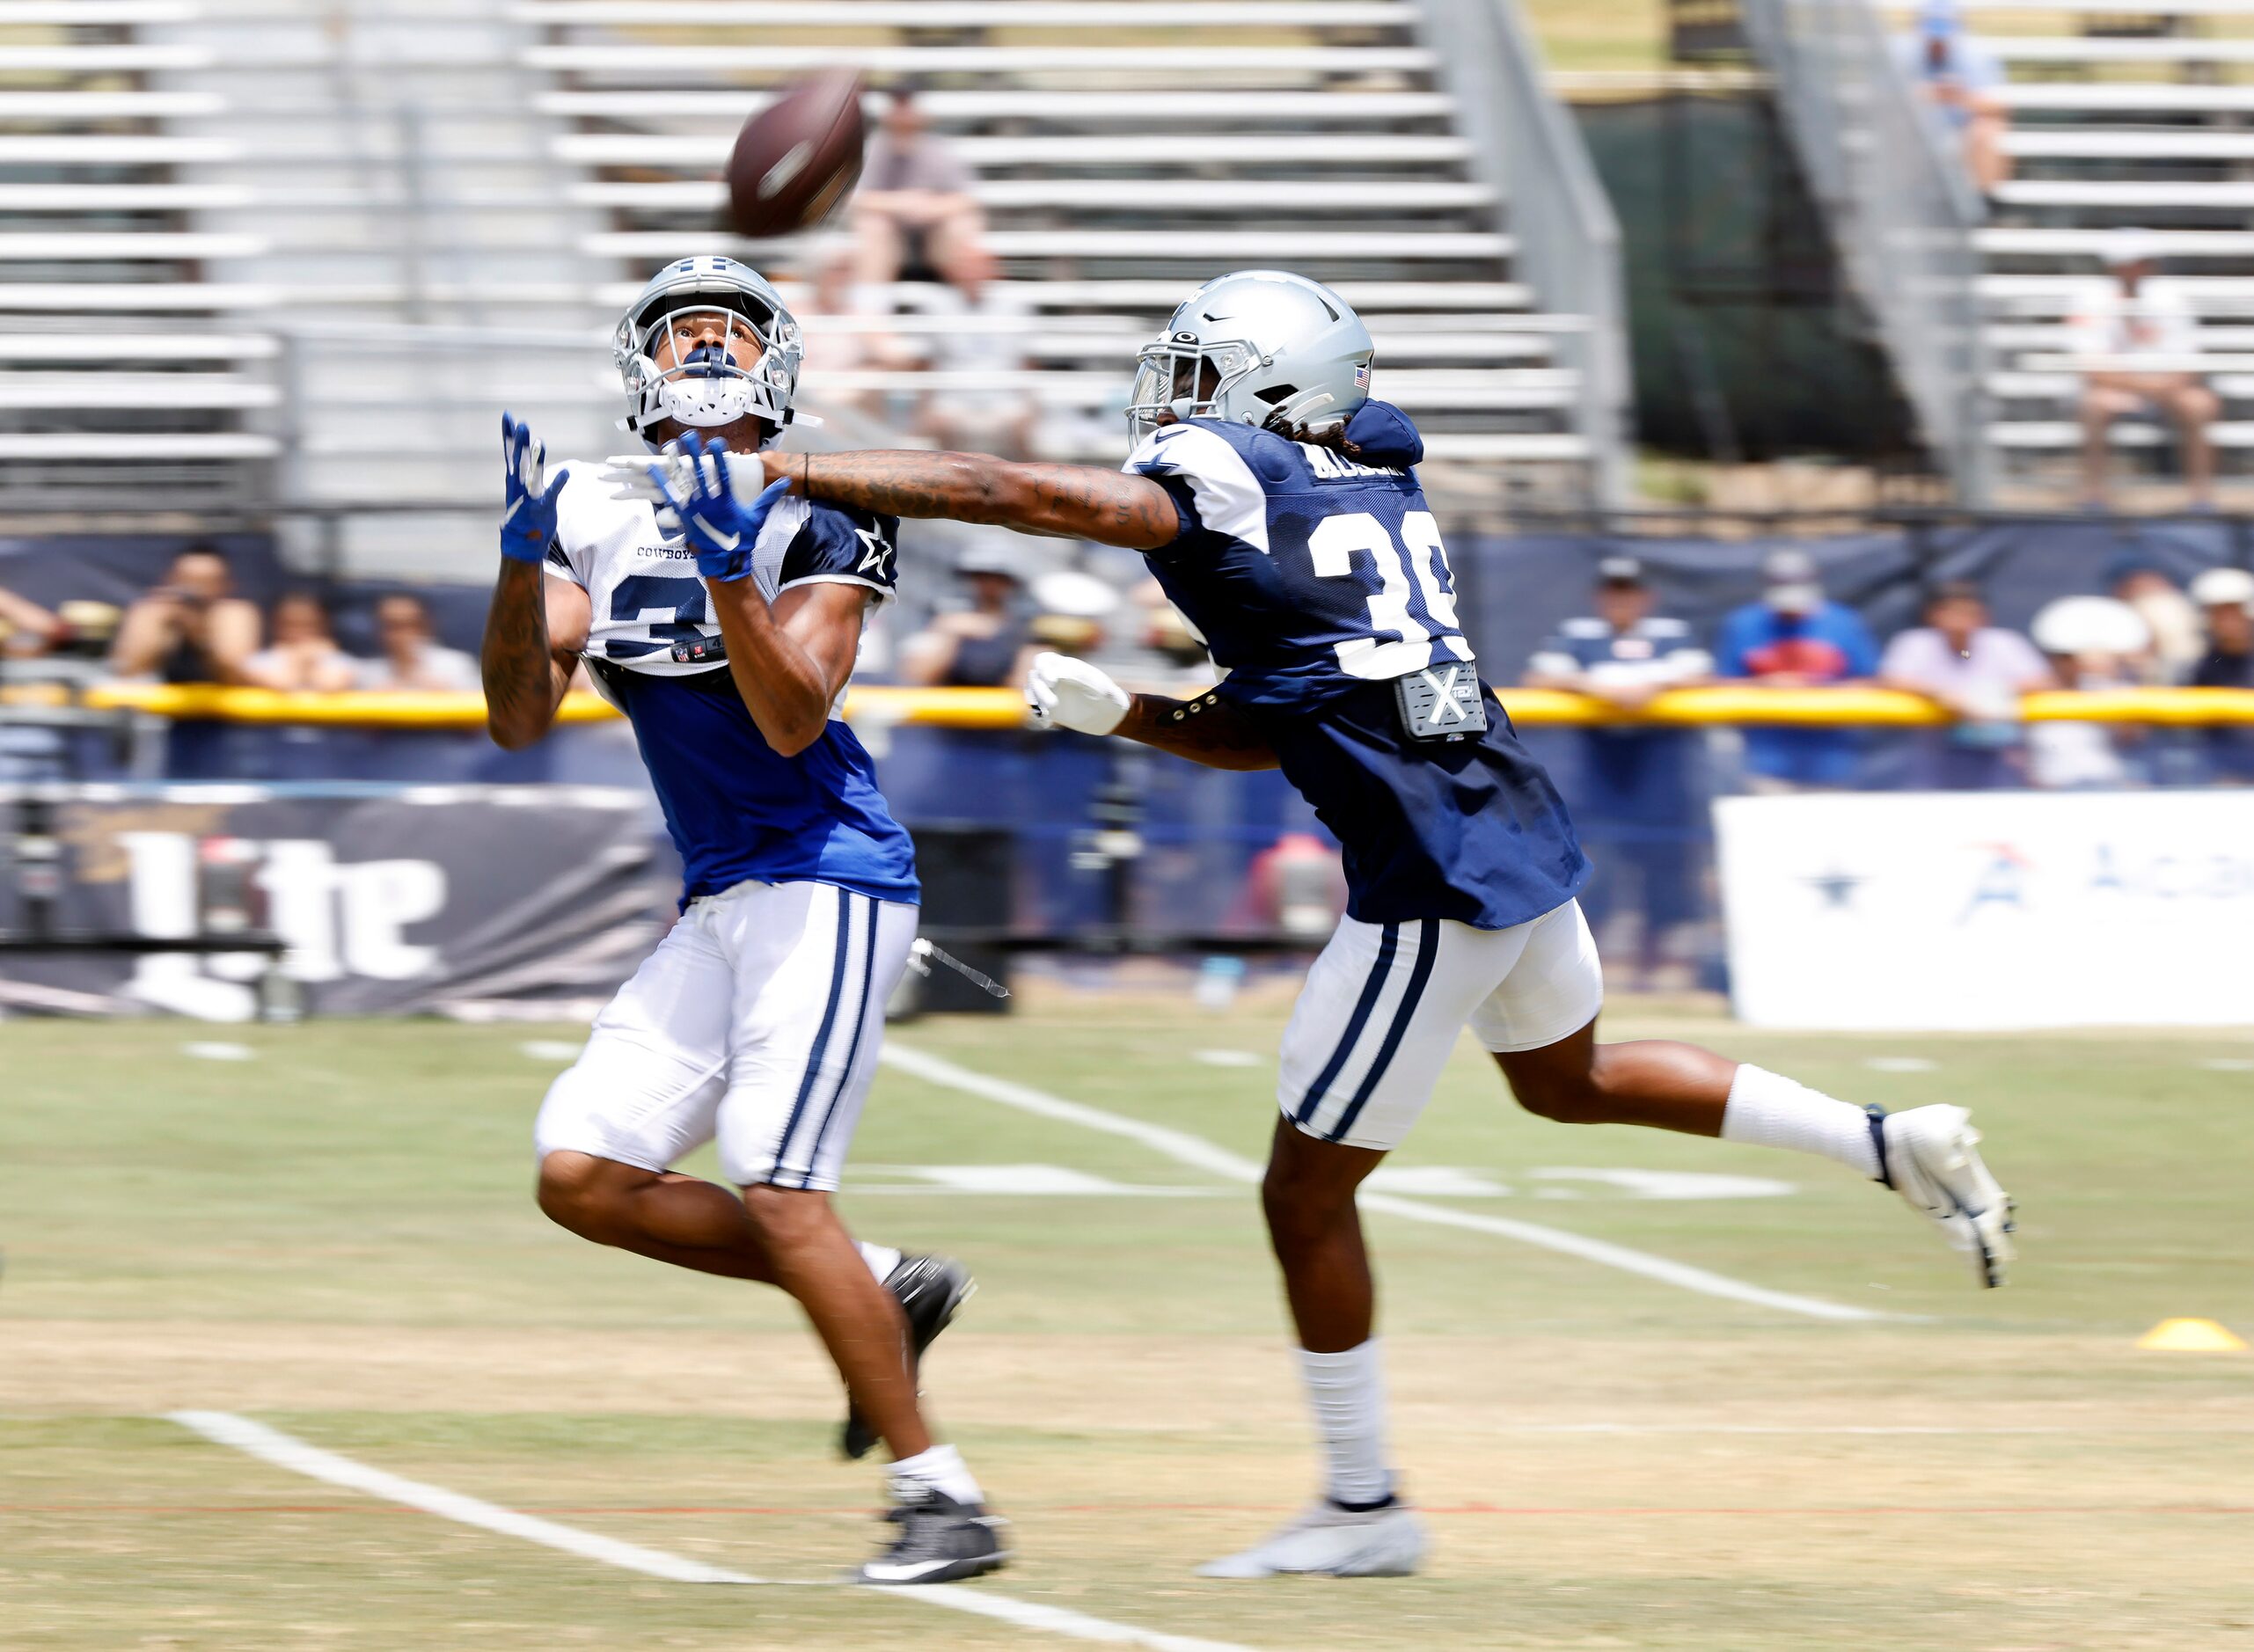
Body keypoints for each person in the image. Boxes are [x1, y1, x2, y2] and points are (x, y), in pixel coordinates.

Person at [728, 267, 2016, 1579]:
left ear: (1261, 386)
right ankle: (1881, 1140)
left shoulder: (1228, 470)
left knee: (1303, 1192)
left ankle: (1360, 1509)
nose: (1168, 399)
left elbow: (1019, 494)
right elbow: (1277, 715)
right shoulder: (1370, 481)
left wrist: (802, 470)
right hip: (1508, 827)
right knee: (1567, 1081)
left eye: (1195, 371)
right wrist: (1126, 712)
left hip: (1428, 871)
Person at [481, 255, 1004, 1585]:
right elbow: (517, 717)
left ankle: (942, 1498)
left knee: (779, 1185)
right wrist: (516, 563)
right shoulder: (595, 498)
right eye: (680, 334)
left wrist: (725, 569)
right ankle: (880, 1282)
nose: (702, 351)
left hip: (828, 875)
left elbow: (791, 714)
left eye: (727, 330)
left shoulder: (829, 500)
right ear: (638, 369)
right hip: (724, 890)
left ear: (774, 361)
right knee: (582, 1172)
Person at [1522, 556, 1711, 984]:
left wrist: (1651, 686)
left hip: (1660, 769)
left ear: (1646, 597)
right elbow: (1540, 677)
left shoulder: (1670, 635)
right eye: (1613, 590)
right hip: (1602, 771)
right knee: (1597, 868)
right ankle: (1593, 966)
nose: (1621, 600)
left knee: (1662, 868)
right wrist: (1598, 688)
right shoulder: (1579, 634)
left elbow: (1701, 674)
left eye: (1629, 590)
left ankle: (1657, 964)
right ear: (1600, 596)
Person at [1715, 547, 1879, 791]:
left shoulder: (1844, 622)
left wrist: (1820, 687)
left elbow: (1872, 680)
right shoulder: (1743, 623)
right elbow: (1722, 684)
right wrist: (1766, 685)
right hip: (1765, 760)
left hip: (1833, 759)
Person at [2074, 233, 2216, 512]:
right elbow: (2090, 368)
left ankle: (2202, 497)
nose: (2140, 268)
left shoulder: (2171, 298)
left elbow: (2189, 363)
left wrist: (2156, 387)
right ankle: (2094, 495)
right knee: (2094, 405)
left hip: (2161, 387)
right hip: (2123, 389)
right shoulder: (2091, 298)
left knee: (2200, 405)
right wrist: (2147, 387)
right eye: (2134, 262)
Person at [1877, 581, 2053, 789]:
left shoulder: (2003, 642)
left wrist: (1988, 696)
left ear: (1983, 615)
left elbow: (2042, 681)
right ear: (1932, 614)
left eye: (1968, 611)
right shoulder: (1916, 643)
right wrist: (1943, 695)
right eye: (1952, 611)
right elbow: (1891, 679)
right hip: (1937, 755)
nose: (1960, 619)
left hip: (2000, 751)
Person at [852, 84, 984, 294]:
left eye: (907, 109)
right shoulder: (875, 150)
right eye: (898, 109)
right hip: (889, 236)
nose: (903, 117)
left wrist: (929, 208)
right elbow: (857, 199)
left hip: (934, 235)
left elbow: (966, 199)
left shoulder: (939, 151)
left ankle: (967, 304)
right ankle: (870, 312)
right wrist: (900, 204)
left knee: (962, 225)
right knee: (874, 227)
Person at [1897, 0, 2009, 194]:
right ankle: (1904, 199)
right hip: (1914, 127)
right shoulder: (1900, 51)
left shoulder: (1976, 55)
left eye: (1942, 37)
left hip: (1963, 128)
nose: (1937, 44)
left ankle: (1985, 203)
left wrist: (1960, 97)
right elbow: (1881, 101)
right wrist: (1922, 95)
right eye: (1932, 37)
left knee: (1987, 129)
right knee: (1895, 124)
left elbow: (1999, 106)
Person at [108, 543, 261, 684]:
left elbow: (233, 674)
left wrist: (197, 632)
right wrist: (159, 622)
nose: (197, 589)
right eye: (188, 580)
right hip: (157, 709)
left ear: (227, 584)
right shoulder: (152, 611)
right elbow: (128, 671)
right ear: (170, 579)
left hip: (224, 710)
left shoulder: (235, 613)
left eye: (208, 581)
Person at [896, 543, 1030, 688]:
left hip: (1003, 705)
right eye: (981, 576)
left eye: (997, 578)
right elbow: (916, 676)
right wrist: (948, 632)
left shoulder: (1026, 627)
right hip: (950, 703)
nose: (988, 585)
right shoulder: (947, 619)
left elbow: (1024, 685)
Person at [2188, 566, 2254, 780]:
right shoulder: (2201, 669)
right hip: (2226, 774)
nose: (2228, 620)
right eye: (2218, 611)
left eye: (2234, 609)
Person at [2106, 553, 2204, 683]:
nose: (2146, 590)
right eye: (2136, 585)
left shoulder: (2172, 606)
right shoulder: (2113, 619)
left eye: (2151, 581)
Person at [359, 592, 479, 691]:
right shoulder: (366, 672)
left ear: (426, 627)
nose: (399, 634)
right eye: (390, 626)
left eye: (409, 625)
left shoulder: (457, 665)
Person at [242, 591, 357, 693]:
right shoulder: (257, 661)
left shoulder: (340, 659)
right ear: (274, 625)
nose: (298, 632)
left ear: (324, 625)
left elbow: (333, 686)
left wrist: (310, 662)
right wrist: (299, 660)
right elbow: (281, 684)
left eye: (308, 625)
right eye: (290, 624)